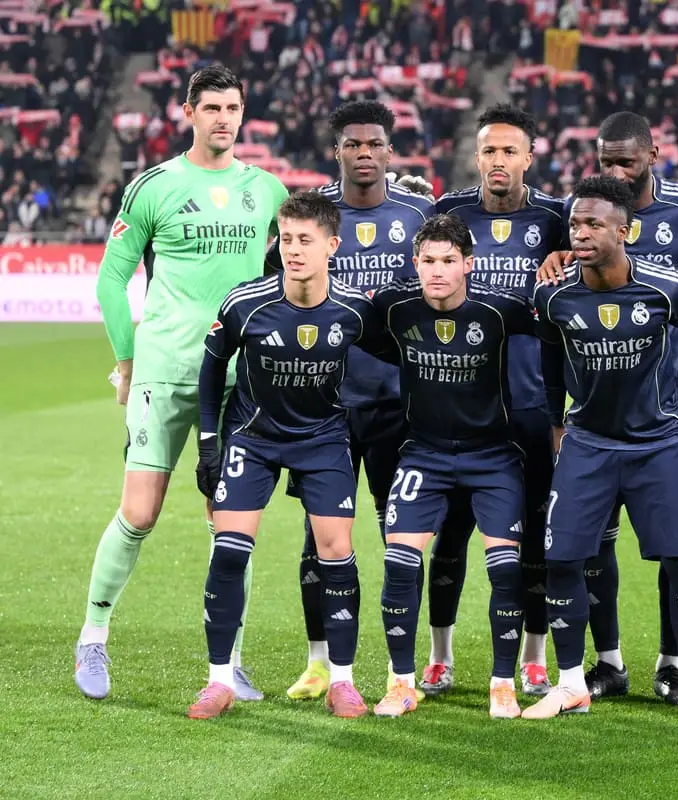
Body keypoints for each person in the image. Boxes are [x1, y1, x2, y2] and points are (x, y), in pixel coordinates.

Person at [77, 64, 289, 701]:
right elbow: (110, 281)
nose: (224, 119)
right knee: (139, 513)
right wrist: (125, 359)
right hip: (166, 372)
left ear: (243, 113)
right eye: (212, 108)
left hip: (237, 381)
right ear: (189, 112)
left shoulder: (269, 191)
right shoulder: (155, 187)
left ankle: (229, 663)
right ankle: (93, 637)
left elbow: (294, 272)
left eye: (234, 108)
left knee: (232, 526)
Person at [537, 112, 678, 705]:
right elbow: (547, 361)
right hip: (588, 439)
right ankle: (584, 676)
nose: (581, 233)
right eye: (576, 226)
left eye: (594, 225)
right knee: (571, 551)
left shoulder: (673, 272)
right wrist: (554, 422)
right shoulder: (554, 293)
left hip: (662, 434)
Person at [189, 192, 393, 719]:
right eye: (285, 239)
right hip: (253, 439)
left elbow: (399, 353)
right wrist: (209, 444)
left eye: (305, 240)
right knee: (230, 551)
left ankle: (343, 682)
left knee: (336, 554)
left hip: (323, 439)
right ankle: (218, 680)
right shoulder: (246, 303)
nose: (293, 250)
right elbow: (211, 371)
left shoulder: (355, 309)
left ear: (332, 245)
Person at [283, 100, 452, 702]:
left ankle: (401, 666)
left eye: (373, 144)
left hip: (396, 403)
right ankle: (318, 661)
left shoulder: (418, 212)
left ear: (389, 150)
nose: (362, 153)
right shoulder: (312, 216)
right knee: (319, 537)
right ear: (337, 151)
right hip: (322, 405)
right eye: (351, 144)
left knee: (398, 535)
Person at [422, 103, 567, 698]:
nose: (498, 161)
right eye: (489, 150)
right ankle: (440, 654)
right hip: (460, 402)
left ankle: (534, 656)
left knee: (535, 531)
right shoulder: (449, 214)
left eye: (510, 150)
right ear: (475, 156)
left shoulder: (559, 219)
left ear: (530, 157)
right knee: (451, 530)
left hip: (531, 403)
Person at [368, 214, 536, 720]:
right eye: (427, 261)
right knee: (400, 563)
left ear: (468, 263)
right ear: (414, 263)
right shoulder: (392, 308)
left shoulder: (501, 310)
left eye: (447, 261)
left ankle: (502, 683)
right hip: (424, 452)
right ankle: (400, 682)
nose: (436, 271)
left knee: (506, 568)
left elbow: (558, 327)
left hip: (494, 456)